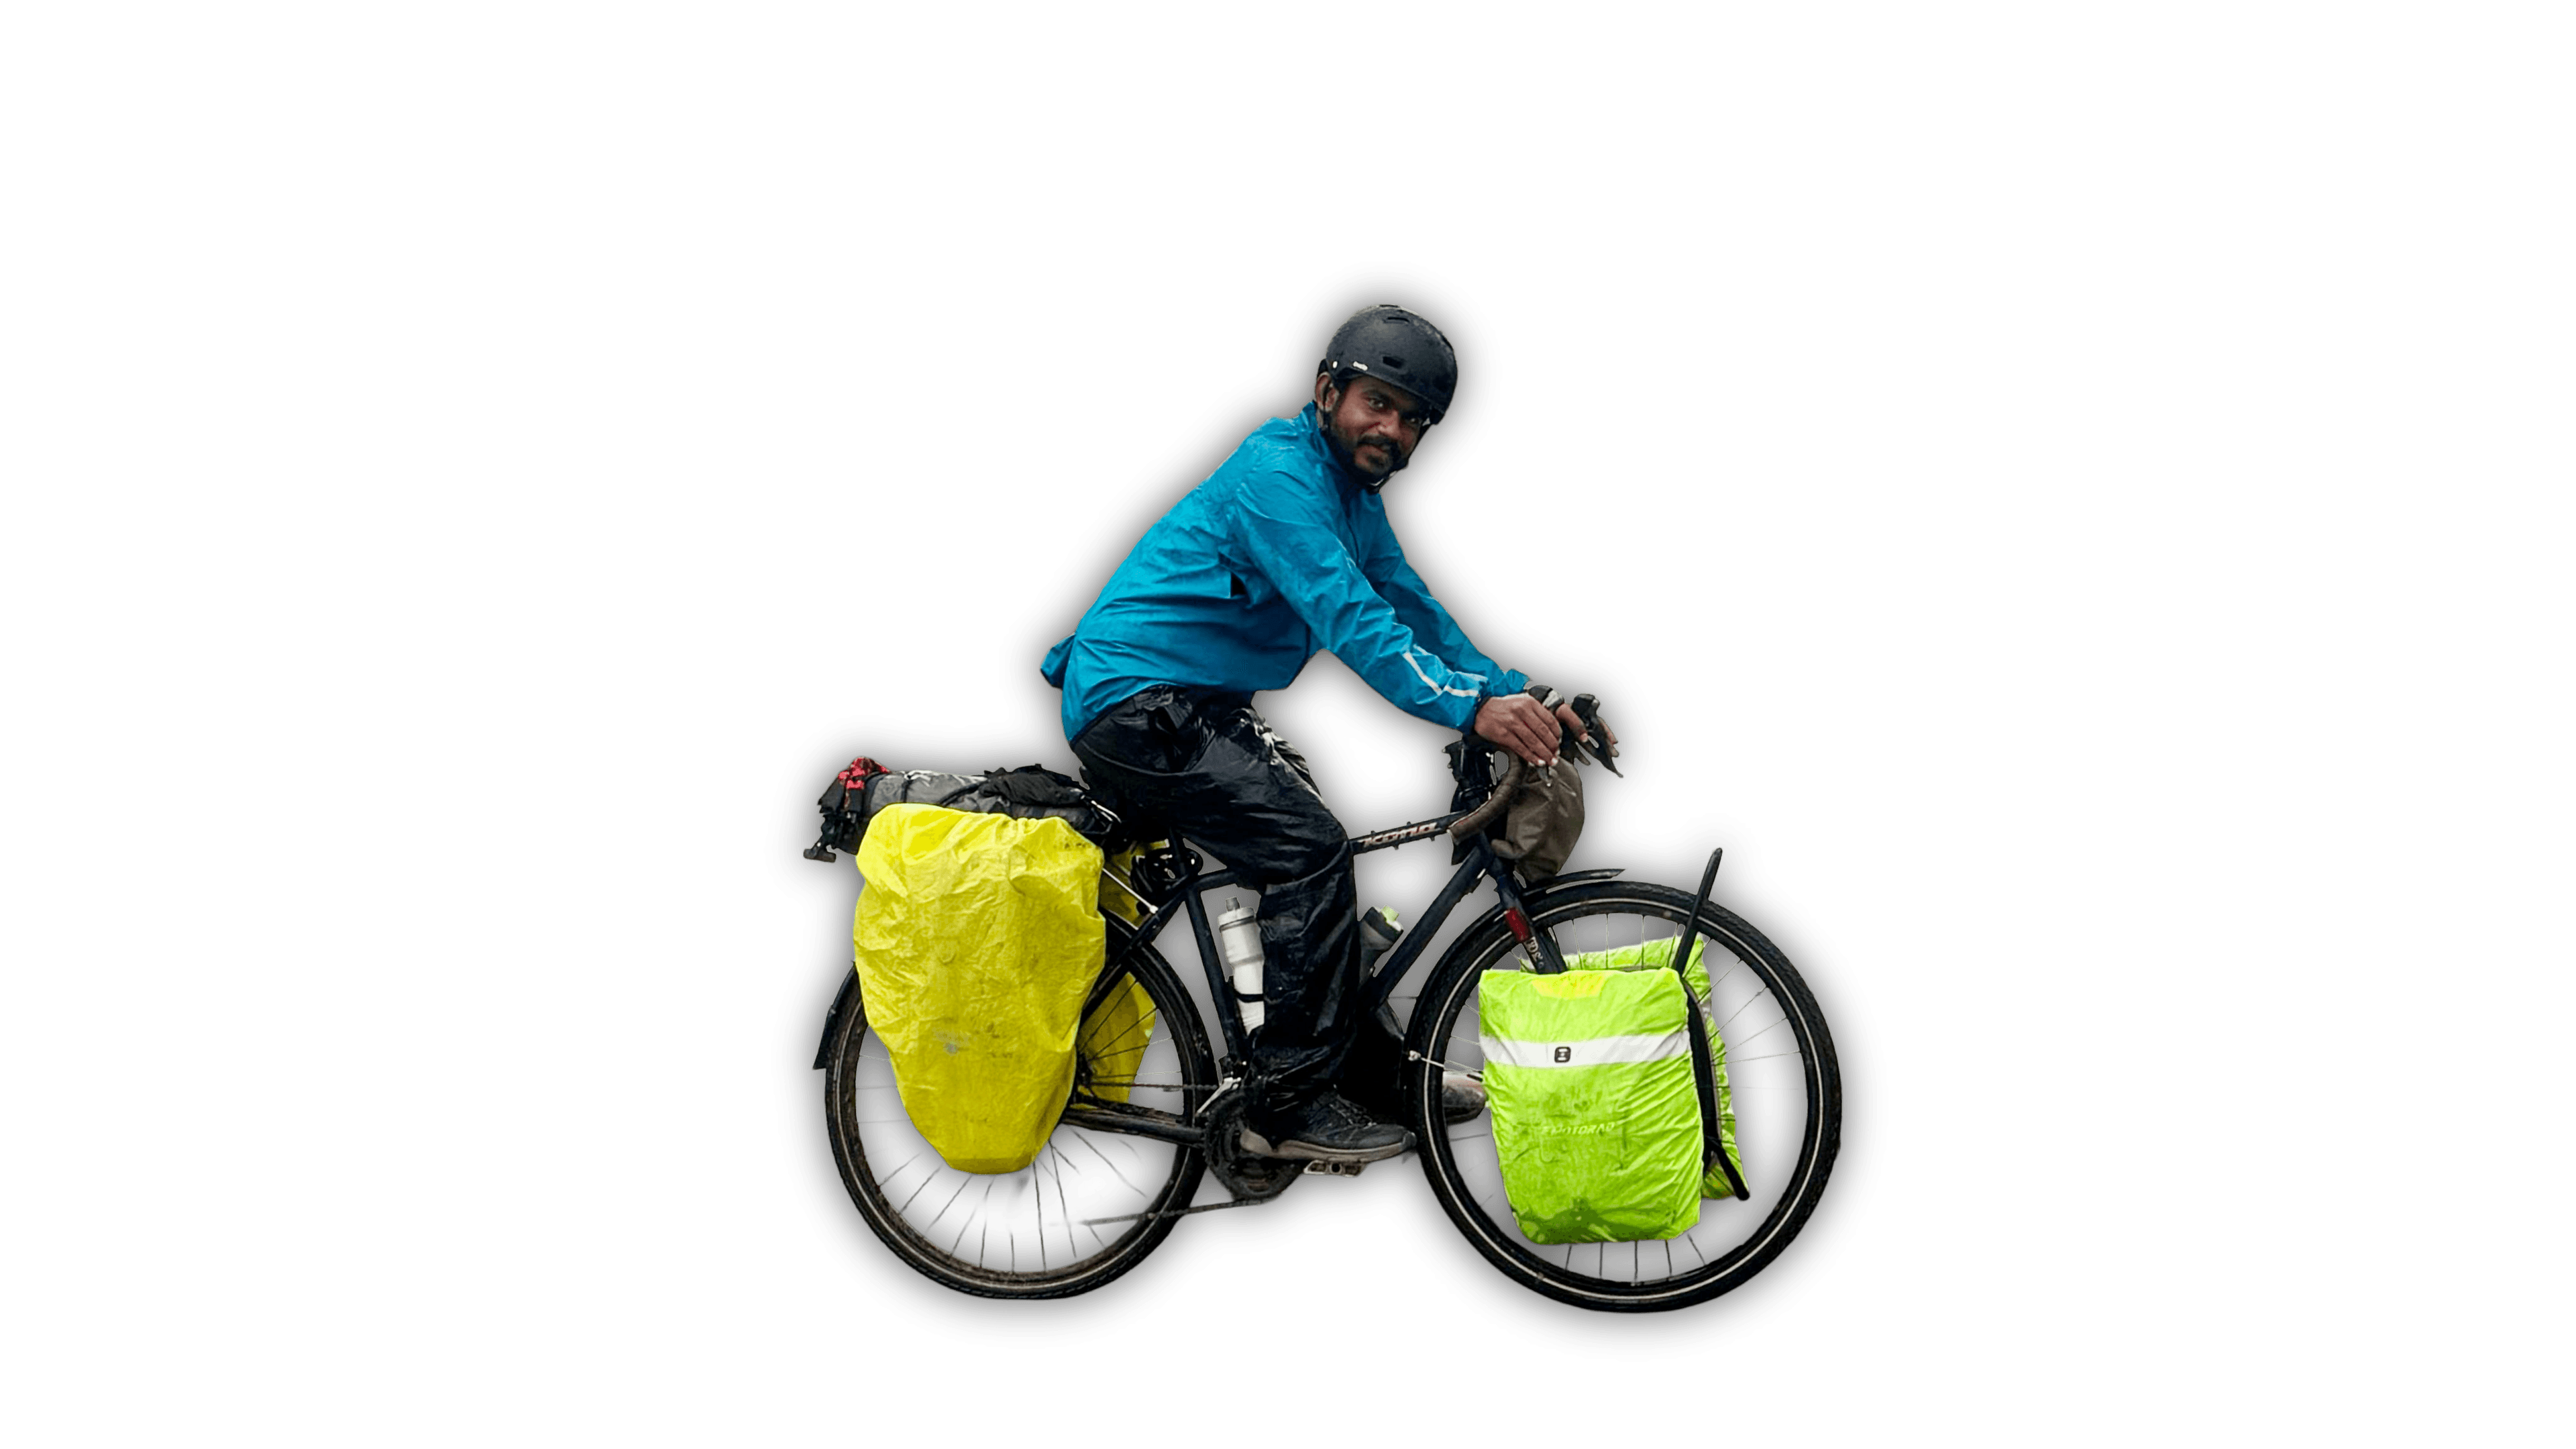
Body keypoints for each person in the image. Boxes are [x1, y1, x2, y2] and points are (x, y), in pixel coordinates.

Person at [1040, 305, 1611, 1163]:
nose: (1393, 428)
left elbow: (1413, 610)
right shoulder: (1279, 477)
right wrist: (1468, 711)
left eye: (1412, 417)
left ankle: (1367, 1068)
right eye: (1377, 403)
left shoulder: (1352, 496)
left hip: (1191, 702)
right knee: (1311, 855)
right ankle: (1286, 1106)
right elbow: (1354, 623)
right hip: (1135, 702)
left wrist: (1516, 690)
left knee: (1321, 855)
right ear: (1327, 392)